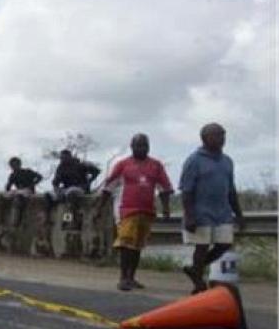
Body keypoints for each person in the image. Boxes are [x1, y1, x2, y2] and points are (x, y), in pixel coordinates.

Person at [96, 133, 172, 291]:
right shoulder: (123, 165)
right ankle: (123, 278)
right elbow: (108, 187)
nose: (142, 148)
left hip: (147, 210)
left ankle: (131, 277)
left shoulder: (156, 165)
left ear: (148, 147)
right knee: (126, 243)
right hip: (126, 210)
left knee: (137, 246)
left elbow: (164, 188)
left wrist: (166, 208)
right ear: (132, 147)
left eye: (145, 145)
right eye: (138, 146)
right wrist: (100, 208)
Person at [179, 123, 244, 293]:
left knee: (224, 244)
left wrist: (238, 213)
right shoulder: (194, 160)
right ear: (205, 138)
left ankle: (195, 270)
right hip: (201, 212)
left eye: (223, 135)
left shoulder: (227, 161)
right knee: (201, 247)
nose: (221, 139)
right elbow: (186, 190)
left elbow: (231, 190)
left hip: (222, 212)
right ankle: (198, 283)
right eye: (217, 135)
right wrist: (189, 215)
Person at [45, 149, 101, 223]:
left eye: (64, 157)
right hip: (65, 189)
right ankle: (49, 217)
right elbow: (55, 182)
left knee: (71, 192)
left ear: (69, 157)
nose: (63, 159)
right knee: (48, 195)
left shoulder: (80, 164)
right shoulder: (61, 167)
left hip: (79, 188)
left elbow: (96, 171)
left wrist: (89, 182)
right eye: (61, 158)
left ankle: (71, 218)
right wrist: (57, 190)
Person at [3, 156, 42, 228]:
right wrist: (8, 191)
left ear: (19, 164)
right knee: (6, 197)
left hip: (28, 191)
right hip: (19, 191)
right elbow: (8, 187)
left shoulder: (27, 172)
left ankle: (15, 221)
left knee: (18, 199)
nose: (14, 167)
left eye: (15, 165)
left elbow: (39, 177)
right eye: (12, 165)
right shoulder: (13, 175)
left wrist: (32, 184)